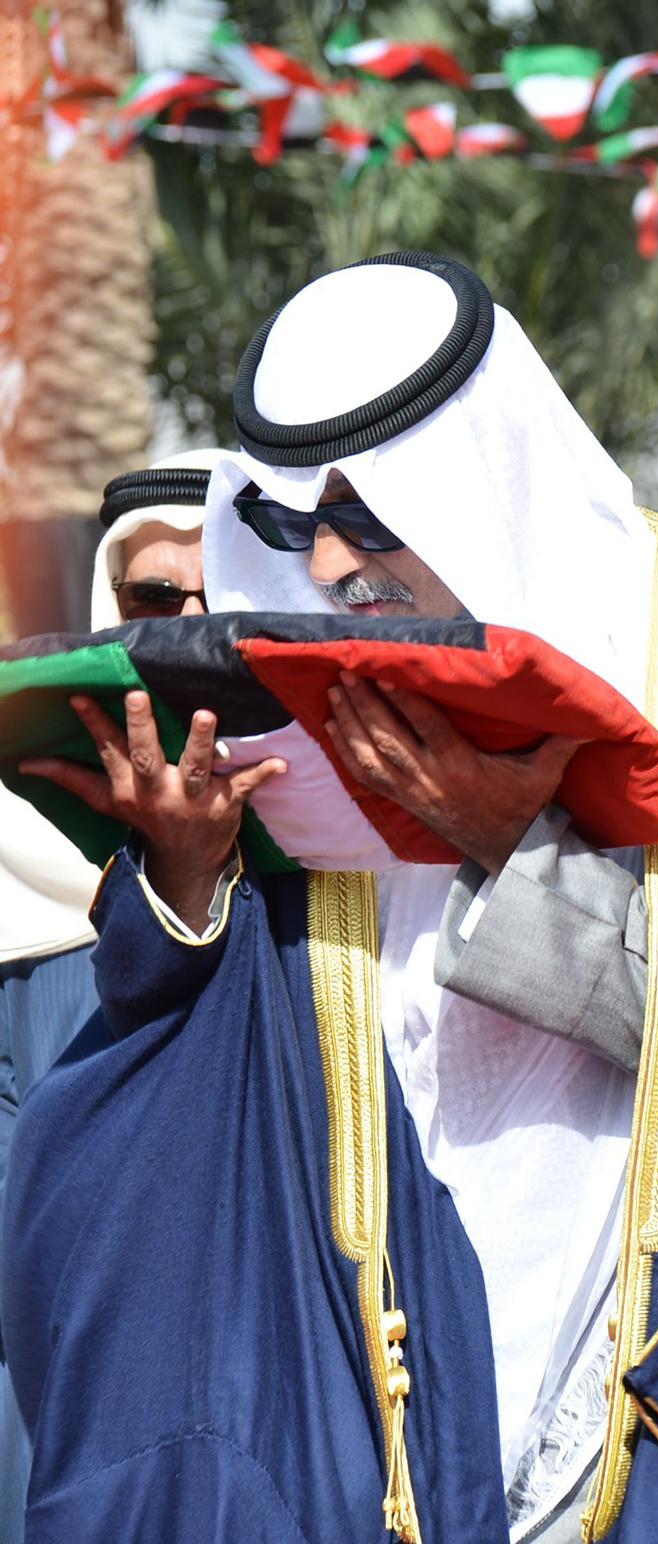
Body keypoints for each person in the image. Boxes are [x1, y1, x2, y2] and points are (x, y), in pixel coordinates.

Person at [3, 252, 658, 1544]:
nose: (333, 561)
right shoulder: (283, 641)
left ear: (477, 468)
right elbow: (213, 1020)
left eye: (367, 514)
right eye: (296, 524)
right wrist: (187, 871)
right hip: (349, 1315)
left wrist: (504, 847)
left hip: (623, 1327)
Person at [0, 449, 222, 1544]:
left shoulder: (337, 861)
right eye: (153, 598)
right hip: (58, 1385)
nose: (185, 619)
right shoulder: (18, 869)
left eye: (212, 591)